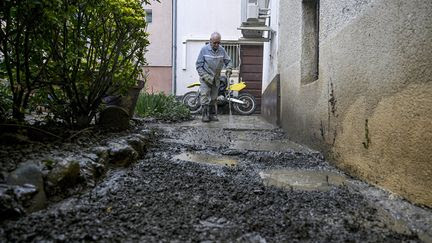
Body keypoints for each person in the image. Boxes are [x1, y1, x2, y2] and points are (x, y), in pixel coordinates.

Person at [196, 32, 233, 122]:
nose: (216, 44)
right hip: (206, 78)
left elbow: (228, 62)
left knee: (213, 98)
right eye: (214, 42)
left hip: (216, 78)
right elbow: (198, 65)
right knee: (205, 96)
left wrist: (229, 69)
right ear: (210, 41)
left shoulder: (222, 50)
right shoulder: (204, 50)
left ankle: (212, 115)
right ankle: (205, 115)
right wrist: (204, 76)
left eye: (218, 43)